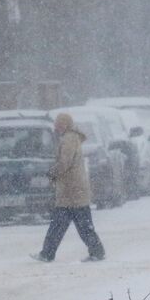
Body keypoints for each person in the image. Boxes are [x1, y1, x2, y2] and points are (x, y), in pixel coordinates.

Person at [31, 112, 106, 263]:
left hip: (71, 191)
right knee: (80, 225)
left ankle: (47, 254)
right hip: (74, 191)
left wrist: (52, 172)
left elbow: (65, 162)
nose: (56, 127)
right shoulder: (70, 138)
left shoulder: (69, 139)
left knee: (60, 226)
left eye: (58, 124)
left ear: (65, 124)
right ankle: (96, 251)